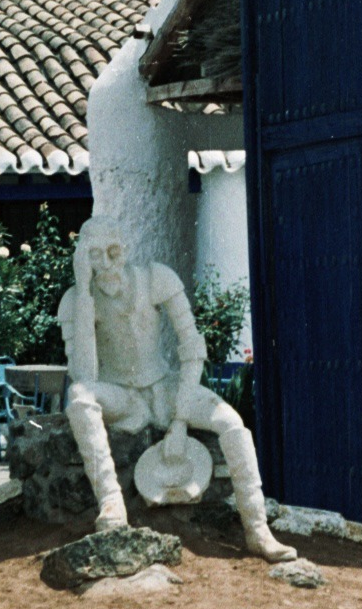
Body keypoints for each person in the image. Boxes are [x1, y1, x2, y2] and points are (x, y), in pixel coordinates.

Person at [57, 215, 295, 562]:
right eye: (94, 255)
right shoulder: (75, 300)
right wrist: (83, 292)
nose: (106, 264)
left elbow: (192, 348)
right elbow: (84, 375)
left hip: (165, 390)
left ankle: (258, 530)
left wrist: (181, 419)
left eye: (113, 252)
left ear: (125, 249)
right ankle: (112, 504)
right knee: (79, 398)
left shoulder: (157, 278)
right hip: (122, 397)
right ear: (82, 258)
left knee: (232, 424)